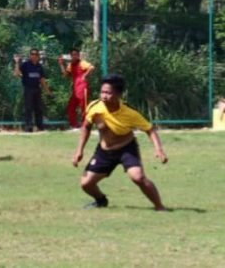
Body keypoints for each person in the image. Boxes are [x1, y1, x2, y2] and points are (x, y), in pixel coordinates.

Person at [72, 74, 168, 211]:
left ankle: (160, 207)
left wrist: (159, 149)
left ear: (118, 94)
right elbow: (86, 127)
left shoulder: (130, 113)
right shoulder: (95, 107)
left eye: (108, 93)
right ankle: (101, 200)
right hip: (104, 152)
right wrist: (79, 151)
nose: (104, 96)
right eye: (102, 92)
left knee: (138, 177)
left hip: (126, 149)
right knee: (86, 184)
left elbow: (150, 129)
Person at [14, 48, 53, 132]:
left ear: (38, 56)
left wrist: (48, 92)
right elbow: (16, 74)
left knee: (38, 108)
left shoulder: (39, 66)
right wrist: (17, 63)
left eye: (36, 54)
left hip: (37, 89)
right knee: (28, 108)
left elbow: (42, 80)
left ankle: (40, 127)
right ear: (30, 55)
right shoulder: (25, 65)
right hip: (28, 89)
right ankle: (28, 127)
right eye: (32, 54)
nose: (34, 56)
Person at [58, 48, 95, 129]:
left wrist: (85, 75)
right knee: (71, 107)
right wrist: (61, 64)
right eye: (72, 55)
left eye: (76, 55)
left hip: (83, 88)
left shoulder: (82, 62)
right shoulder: (70, 65)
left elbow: (91, 67)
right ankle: (74, 125)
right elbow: (65, 75)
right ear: (70, 56)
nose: (74, 56)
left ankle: (86, 126)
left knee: (84, 107)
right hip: (75, 89)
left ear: (78, 55)